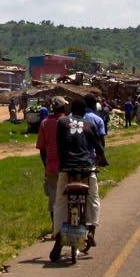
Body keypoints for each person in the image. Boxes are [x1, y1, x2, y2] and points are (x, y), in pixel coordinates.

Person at [51, 97, 101, 261]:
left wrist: (63, 161)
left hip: (67, 168)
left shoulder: (62, 122)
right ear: (86, 110)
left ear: (70, 109)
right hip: (87, 168)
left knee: (60, 202)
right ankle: (92, 230)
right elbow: (99, 149)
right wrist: (102, 161)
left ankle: (58, 235)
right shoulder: (91, 124)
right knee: (93, 197)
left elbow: (59, 146)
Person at [34, 97, 66, 226]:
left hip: (51, 166)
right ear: (63, 107)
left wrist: (46, 166)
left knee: (53, 196)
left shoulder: (45, 123)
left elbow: (42, 149)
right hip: (67, 165)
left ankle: (55, 226)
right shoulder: (68, 121)